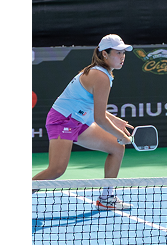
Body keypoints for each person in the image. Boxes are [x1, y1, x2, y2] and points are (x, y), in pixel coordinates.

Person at [32, 35, 136, 211]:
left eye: (123, 53)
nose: (122, 57)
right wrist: (122, 136)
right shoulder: (100, 76)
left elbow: (95, 108)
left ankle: (106, 198)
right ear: (105, 54)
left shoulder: (102, 73)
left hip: (79, 121)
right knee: (56, 170)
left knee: (117, 148)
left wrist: (116, 121)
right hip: (63, 121)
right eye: (118, 53)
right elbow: (100, 119)